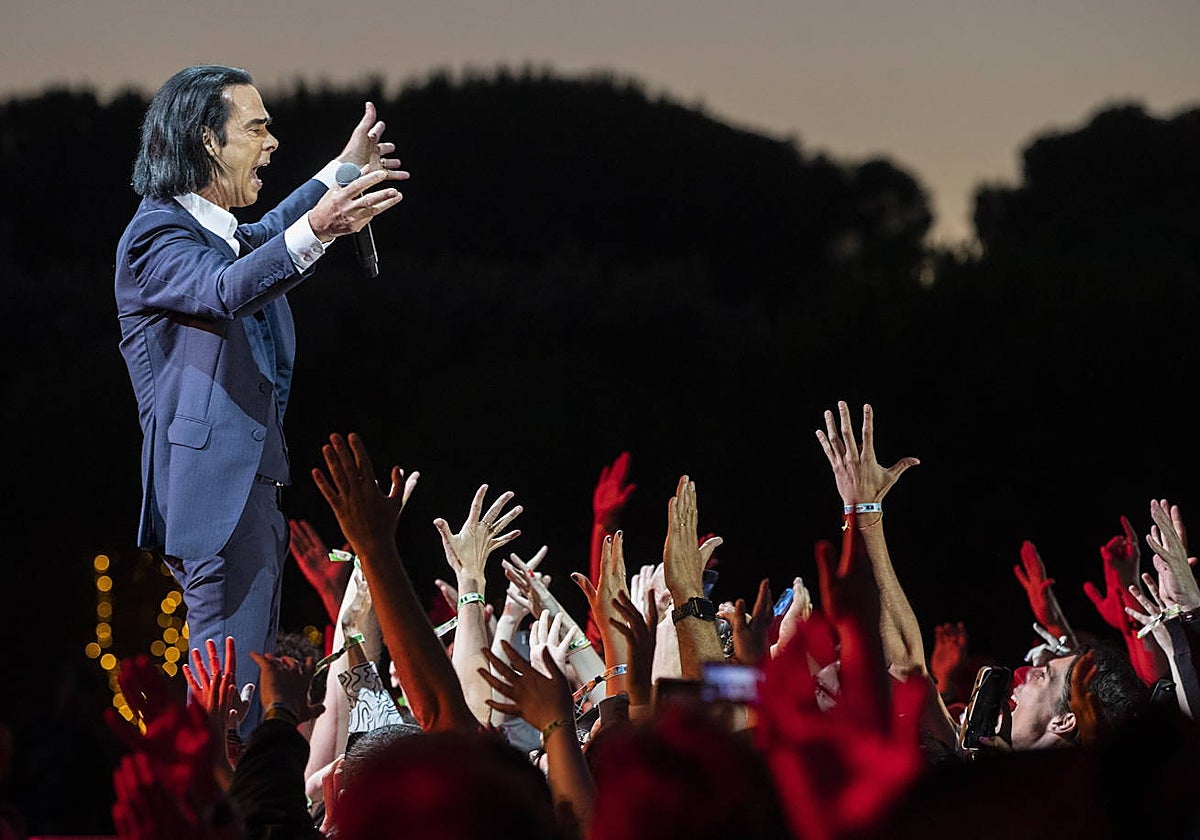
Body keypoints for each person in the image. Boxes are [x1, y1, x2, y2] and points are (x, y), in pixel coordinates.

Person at [114, 64, 409, 737]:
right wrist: (322, 229)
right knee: (230, 706)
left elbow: (267, 236)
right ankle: (217, 797)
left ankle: (233, 790)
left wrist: (342, 170)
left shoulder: (214, 233)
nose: (272, 142)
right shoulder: (156, 236)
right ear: (207, 141)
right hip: (213, 502)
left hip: (248, 494)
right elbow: (227, 287)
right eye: (256, 128)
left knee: (243, 698)